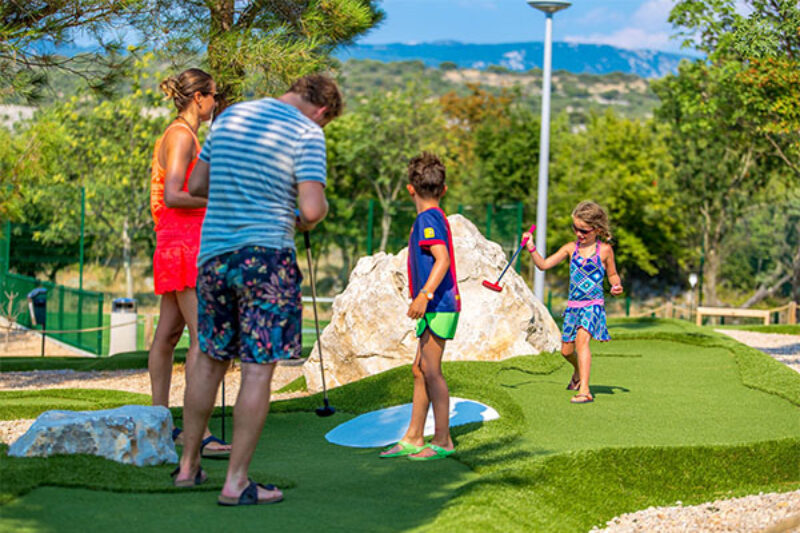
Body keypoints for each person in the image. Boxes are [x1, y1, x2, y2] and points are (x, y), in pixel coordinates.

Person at [172, 74, 342, 505]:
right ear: (322, 111)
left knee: (209, 359)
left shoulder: (229, 118)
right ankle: (235, 482)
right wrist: (309, 212)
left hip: (213, 257)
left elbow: (195, 187)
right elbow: (311, 208)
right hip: (266, 259)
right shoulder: (306, 132)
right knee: (257, 369)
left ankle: (188, 466)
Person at [149, 68, 230, 457]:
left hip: (176, 243)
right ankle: (197, 433)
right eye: (213, 95)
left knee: (166, 336)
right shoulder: (181, 135)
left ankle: (157, 422)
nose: (216, 102)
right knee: (203, 337)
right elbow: (175, 195)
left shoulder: (184, 134)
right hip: (184, 245)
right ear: (198, 97)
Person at [380, 153, 460, 461]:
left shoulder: (428, 219)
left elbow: (442, 259)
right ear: (445, 188)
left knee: (432, 371)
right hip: (434, 306)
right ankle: (414, 435)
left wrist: (424, 295)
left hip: (438, 305)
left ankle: (443, 439)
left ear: (410, 189)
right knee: (419, 369)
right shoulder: (432, 217)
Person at [523, 200, 623, 404]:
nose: (579, 234)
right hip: (573, 307)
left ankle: (585, 390)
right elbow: (543, 265)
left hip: (593, 305)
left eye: (584, 231)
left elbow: (612, 274)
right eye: (576, 229)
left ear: (596, 229)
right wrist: (531, 247)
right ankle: (577, 372)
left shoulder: (604, 250)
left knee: (582, 342)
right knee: (566, 351)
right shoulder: (570, 249)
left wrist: (616, 285)